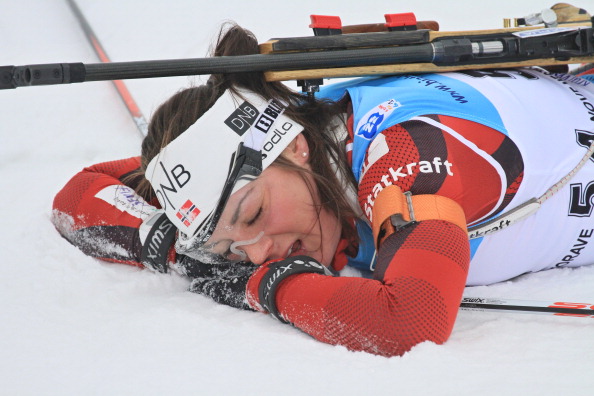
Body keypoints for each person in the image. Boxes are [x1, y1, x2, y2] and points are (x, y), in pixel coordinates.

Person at [52, 23, 594, 357]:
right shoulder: (294, 133)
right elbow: (80, 194)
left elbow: (411, 322)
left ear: (294, 149)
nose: (256, 251)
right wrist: (179, 248)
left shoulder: (404, 159)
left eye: (253, 213)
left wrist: (267, 286)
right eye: (228, 248)